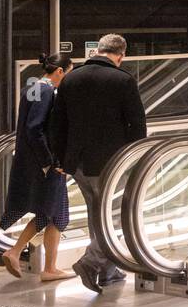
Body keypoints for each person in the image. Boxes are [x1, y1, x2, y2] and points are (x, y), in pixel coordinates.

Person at [48, 33, 148, 293]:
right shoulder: (123, 80)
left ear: (99, 51)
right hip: (111, 163)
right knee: (112, 216)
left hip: (78, 162)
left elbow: (57, 123)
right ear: (120, 55)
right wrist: (136, 158)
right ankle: (90, 263)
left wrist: (60, 159)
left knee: (96, 213)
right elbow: (137, 124)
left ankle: (109, 273)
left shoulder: (71, 79)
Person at [0, 53, 75, 282]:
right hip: (45, 165)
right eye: (68, 74)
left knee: (56, 215)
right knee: (49, 212)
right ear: (60, 71)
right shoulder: (46, 91)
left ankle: (49, 267)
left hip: (31, 161)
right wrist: (49, 161)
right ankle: (16, 252)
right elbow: (35, 128)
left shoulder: (31, 86)